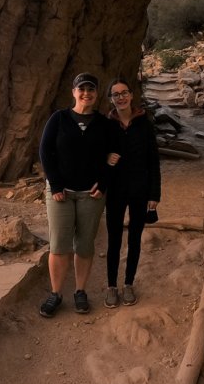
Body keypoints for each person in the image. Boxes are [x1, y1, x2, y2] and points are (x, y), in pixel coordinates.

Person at [38, 72, 116, 317]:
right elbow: (45, 151)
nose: (86, 93)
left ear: (96, 94)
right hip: (61, 193)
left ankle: (80, 291)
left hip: (90, 195)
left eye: (91, 89)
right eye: (81, 89)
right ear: (73, 93)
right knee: (59, 246)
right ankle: (56, 293)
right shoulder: (59, 119)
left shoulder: (104, 124)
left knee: (84, 245)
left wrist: (103, 182)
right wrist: (56, 185)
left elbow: (114, 155)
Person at [103, 77, 161, 307]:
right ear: (111, 99)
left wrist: (154, 194)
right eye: (116, 94)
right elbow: (96, 153)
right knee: (114, 240)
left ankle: (128, 284)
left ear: (131, 95)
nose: (121, 97)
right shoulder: (107, 126)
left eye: (124, 92)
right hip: (116, 190)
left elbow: (153, 160)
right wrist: (105, 158)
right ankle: (111, 286)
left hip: (140, 189)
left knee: (135, 238)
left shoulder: (144, 124)